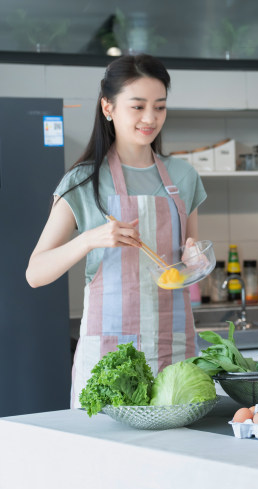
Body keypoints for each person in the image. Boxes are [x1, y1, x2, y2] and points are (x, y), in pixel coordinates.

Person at [26, 54, 207, 407]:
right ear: (108, 107)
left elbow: (190, 256)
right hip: (110, 359)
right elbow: (35, 273)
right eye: (137, 106)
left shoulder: (184, 177)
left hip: (175, 352)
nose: (150, 118)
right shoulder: (83, 181)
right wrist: (90, 239)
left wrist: (194, 260)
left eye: (160, 107)